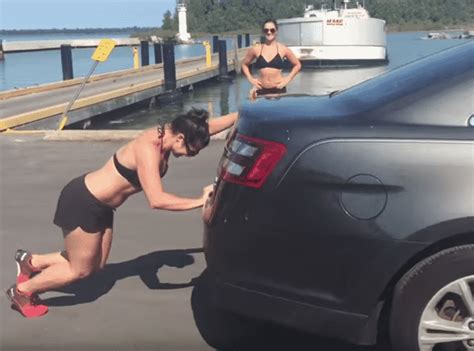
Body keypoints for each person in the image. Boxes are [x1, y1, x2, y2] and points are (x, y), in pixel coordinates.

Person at [6, 108, 238, 318]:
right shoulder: (149, 149)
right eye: (191, 151)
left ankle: (31, 261)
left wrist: (244, 114)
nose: (190, 155)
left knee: (96, 264)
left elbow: (206, 127)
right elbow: (157, 200)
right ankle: (22, 291)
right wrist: (200, 201)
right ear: (180, 138)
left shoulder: (174, 132)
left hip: (103, 206)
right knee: (81, 270)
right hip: (82, 201)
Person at [241, 19, 301, 99]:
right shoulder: (256, 49)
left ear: (276, 31)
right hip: (261, 89)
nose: (269, 32)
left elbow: (297, 65)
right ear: (263, 32)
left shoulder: (283, 49)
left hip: (279, 89)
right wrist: (251, 79)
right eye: (266, 30)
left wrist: (287, 79)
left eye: (272, 30)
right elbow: (244, 64)